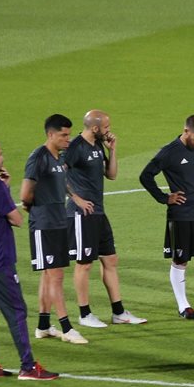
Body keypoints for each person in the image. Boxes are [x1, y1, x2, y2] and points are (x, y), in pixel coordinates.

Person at [0, 140, 55, 380]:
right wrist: (4, 189)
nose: (3, 158)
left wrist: (1, 188)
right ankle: (28, 367)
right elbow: (16, 219)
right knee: (16, 311)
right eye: (0, 155)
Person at [139, 115, 194, 319]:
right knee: (180, 260)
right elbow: (145, 175)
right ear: (186, 131)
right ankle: (184, 306)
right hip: (180, 216)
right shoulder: (169, 152)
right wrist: (164, 198)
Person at [64, 109, 146, 329]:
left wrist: (113, 150)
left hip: (98, 212)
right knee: (84, 264)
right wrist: (76, 199)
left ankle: (118, 312)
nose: (109, 130)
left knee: (110, 260)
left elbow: (111, 175)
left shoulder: (98, 145)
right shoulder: (75, 147)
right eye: (106, 127)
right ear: (95, 128)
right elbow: (58, 173)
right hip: (81, 214)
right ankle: (84, 314)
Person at [21, 114, 87, 345]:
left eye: (69, 134)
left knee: (48, 276)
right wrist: (38, 210)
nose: (68, 139)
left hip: (58, 222)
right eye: (63, 135)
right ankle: (67, 327)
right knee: (55, 275)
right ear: (50, 134)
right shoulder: (38, 157)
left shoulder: (58, 157)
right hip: (44, 225)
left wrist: (74, 197)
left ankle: (42, 325)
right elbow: (25, 194)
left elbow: (62, 181)